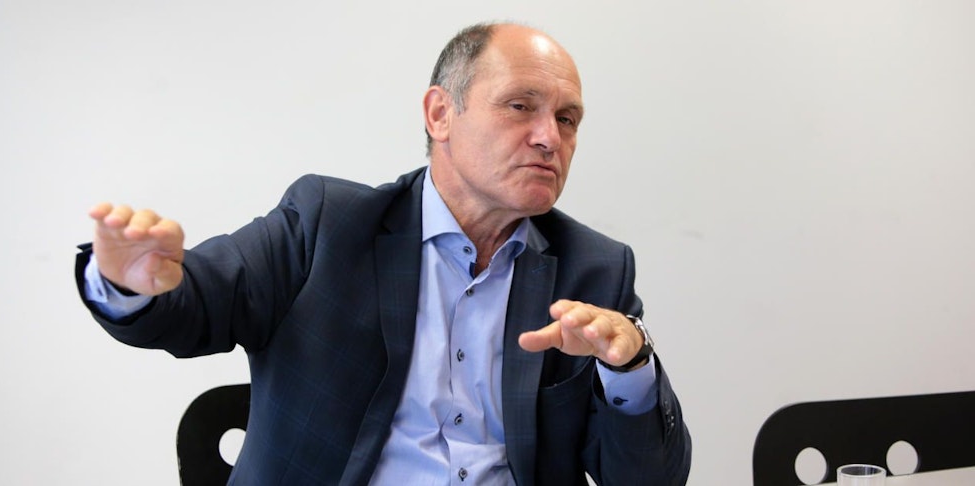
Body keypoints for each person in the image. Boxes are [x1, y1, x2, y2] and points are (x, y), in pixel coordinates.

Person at [75, 22, 691, 485]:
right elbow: (199, 300)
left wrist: (630, 369)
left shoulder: (594, 268)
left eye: (568, 119)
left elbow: (649, 479)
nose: (549, 137)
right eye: (520, 106)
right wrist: (129, 284)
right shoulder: (328, 224)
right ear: (441, 114)